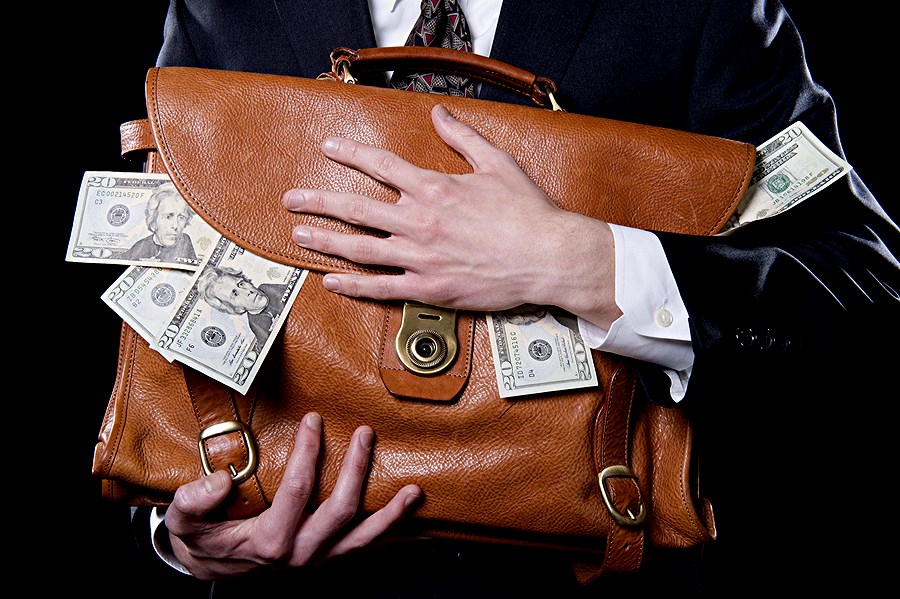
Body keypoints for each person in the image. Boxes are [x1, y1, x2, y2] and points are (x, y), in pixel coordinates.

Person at [129, 0, 899, 595]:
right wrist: (186, 534)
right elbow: (161, 302)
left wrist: (579, 260)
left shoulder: (702, 8)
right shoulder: (219, 6)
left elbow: (858, 289)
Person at [195, 265, 288, 346]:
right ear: (237, 309)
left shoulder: (266, 288)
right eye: (235, 294)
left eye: (241, 284)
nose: (248, 291)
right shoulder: (256, 325)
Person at [118, 181, 198, 265]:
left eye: (181, 217)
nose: (175, 225)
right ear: (153, 222)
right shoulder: (141, 247)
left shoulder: (184, 242)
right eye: (168, 217)